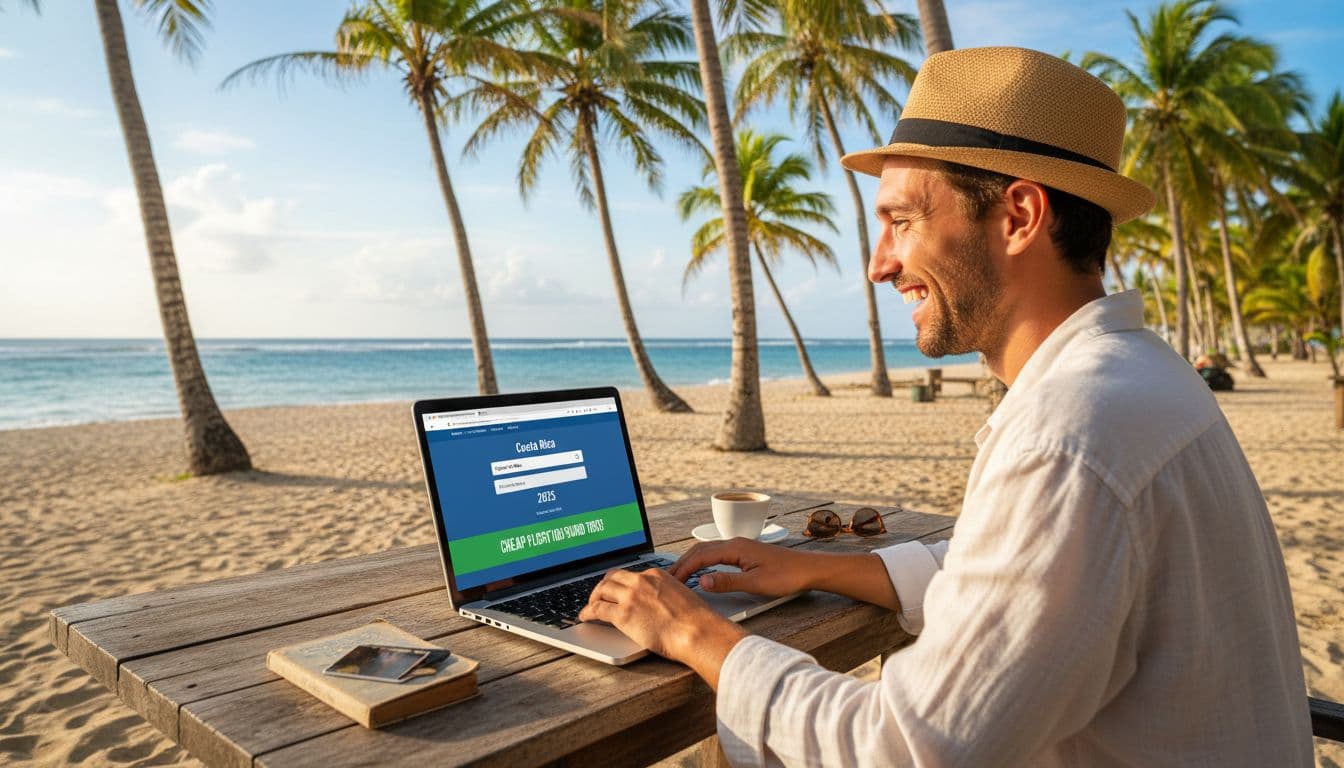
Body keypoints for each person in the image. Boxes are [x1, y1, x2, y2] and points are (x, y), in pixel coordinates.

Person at [578, 47, 1311, 766]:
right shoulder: (1141, 376)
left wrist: (697, 633)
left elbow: (905, 749)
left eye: (902, 221)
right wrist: (813, 568)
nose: (878, 264)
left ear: (1019, 215)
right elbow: (1014, 581)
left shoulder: (1068, 435)